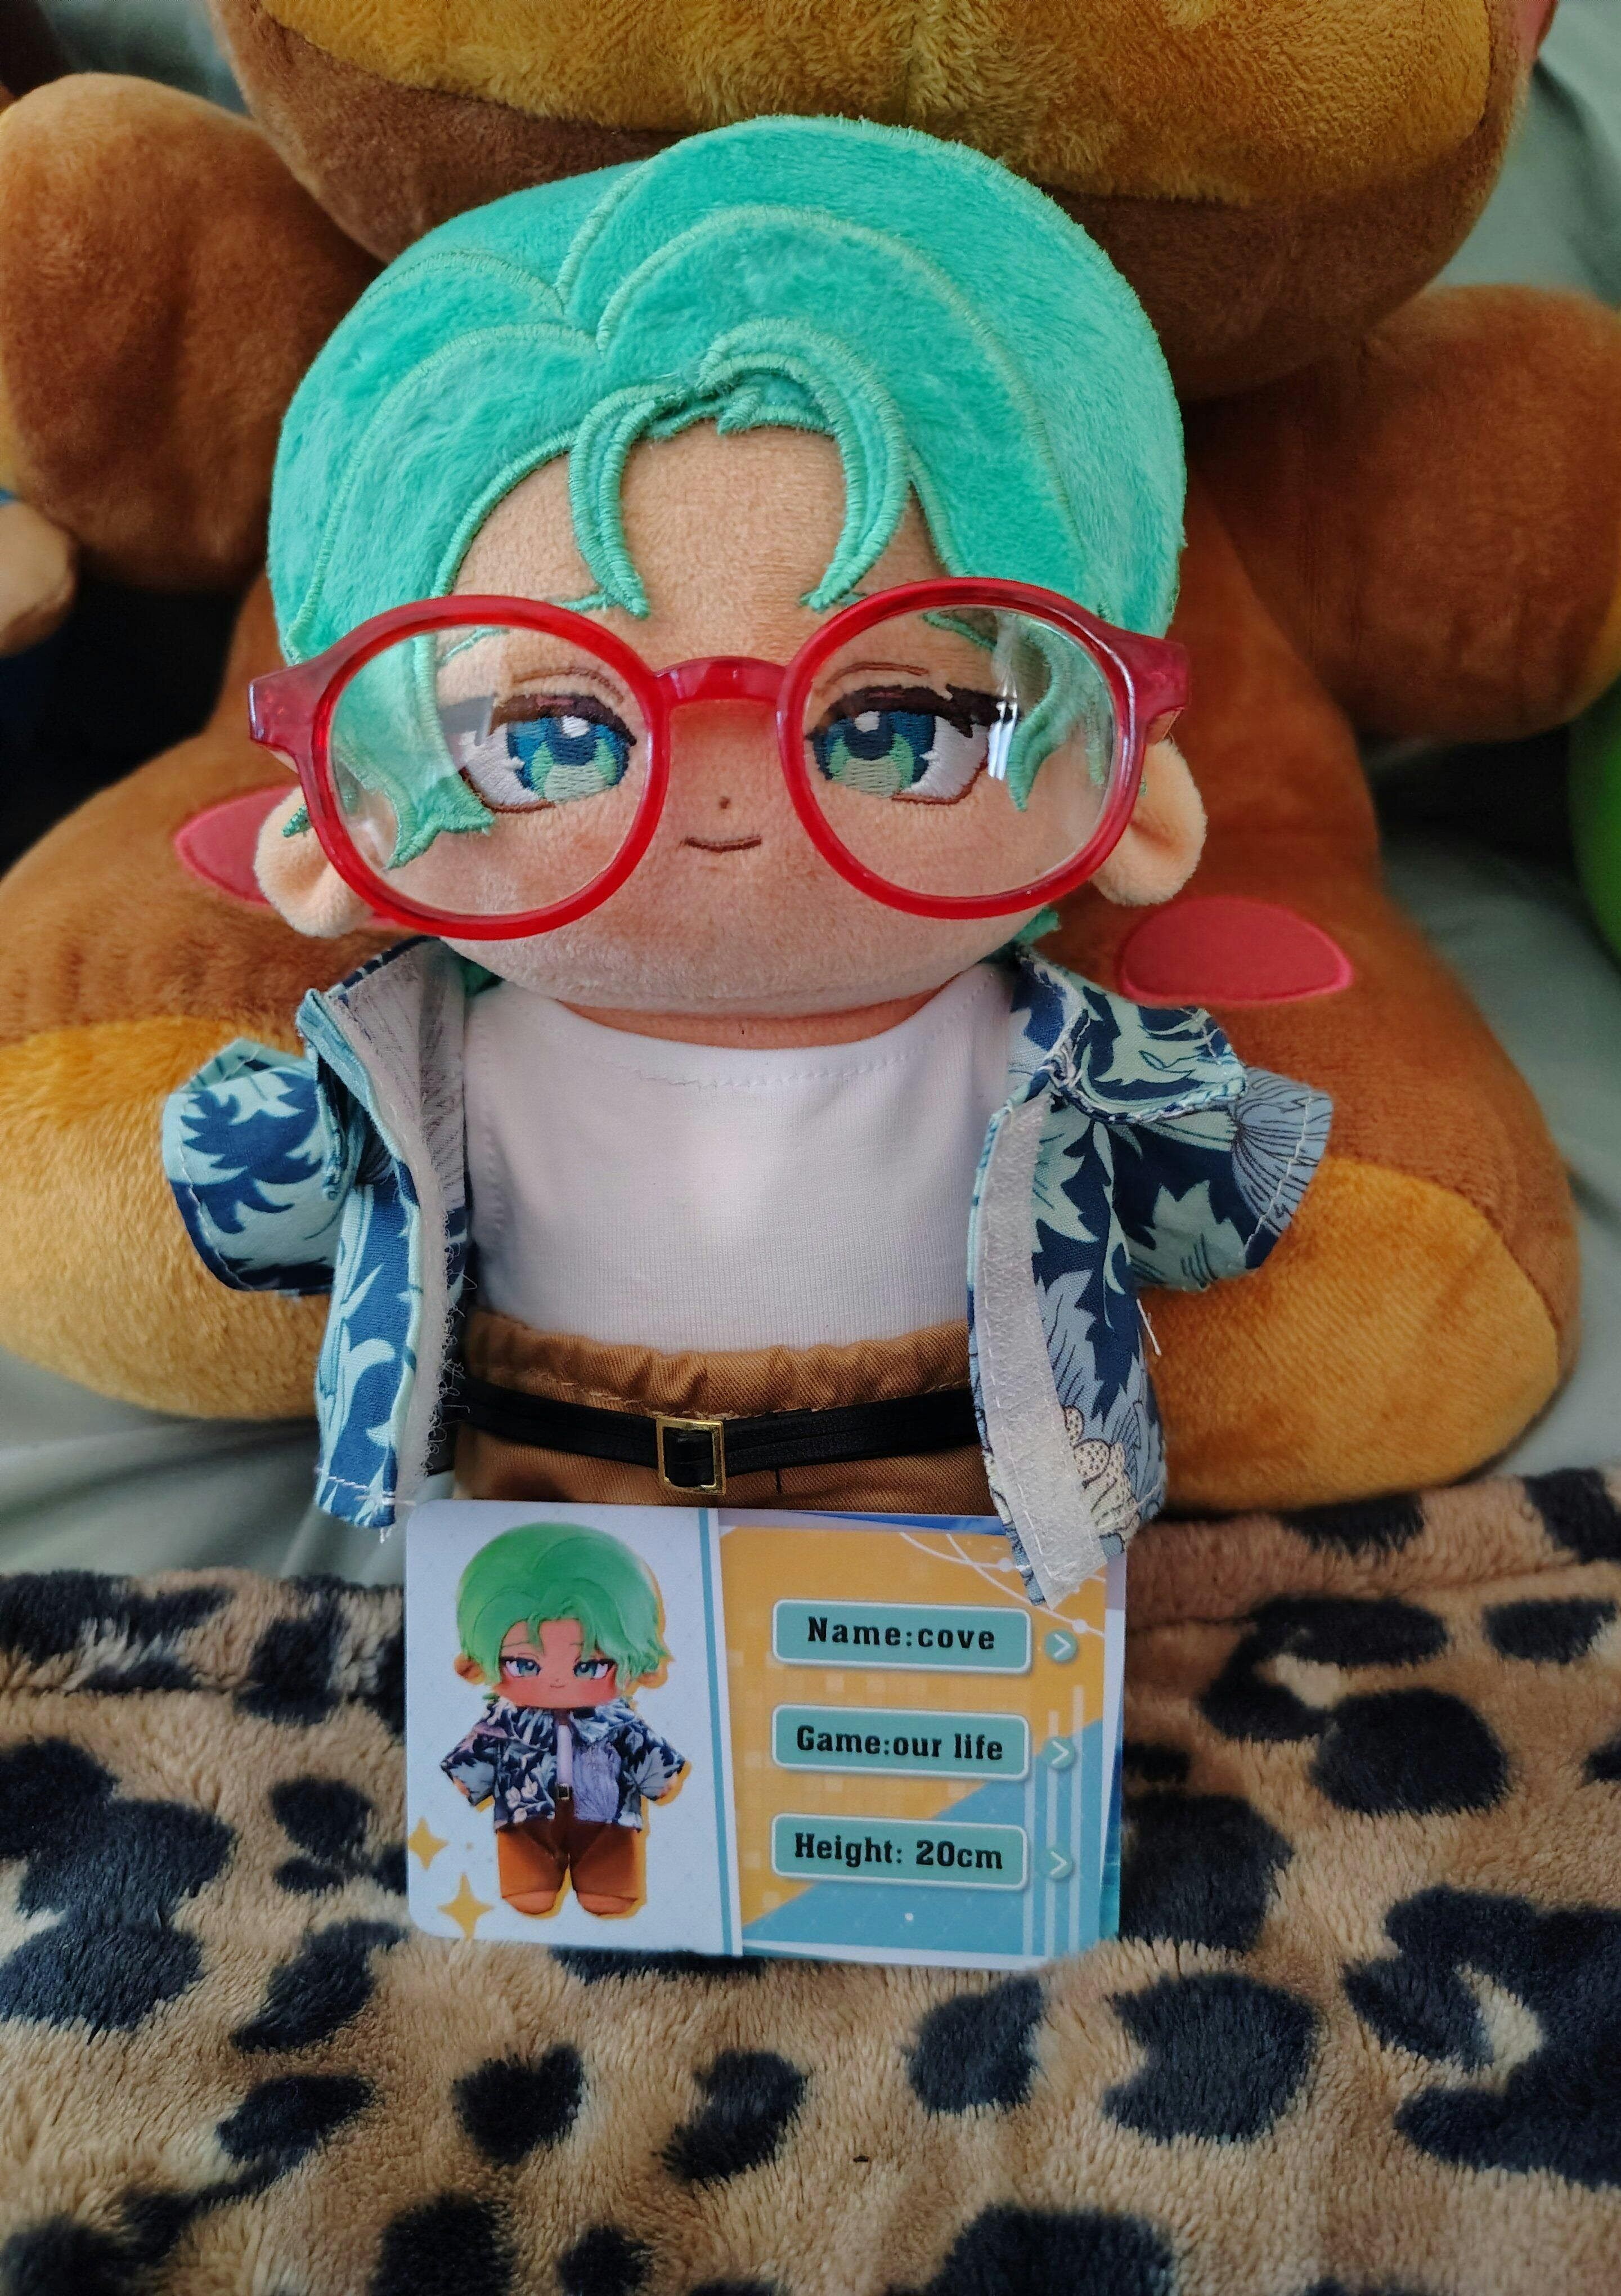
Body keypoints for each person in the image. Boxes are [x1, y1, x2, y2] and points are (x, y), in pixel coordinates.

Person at [163, 116, 1330, 1606]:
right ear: (333, 826)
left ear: (1133, 798)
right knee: (573, 1744)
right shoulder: (436, 1066)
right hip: (552, 1520)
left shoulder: (1040, 1059)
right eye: (559, 738)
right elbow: (260, 1206)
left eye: (897, 727)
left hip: (934, 1529)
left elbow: (1224, 1210)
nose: (726, 802)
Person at [441, 1521, 685, 1917]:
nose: (557, 1681)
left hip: (607, 1814)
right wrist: (470, 1777)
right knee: (526, 1870)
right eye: (524, 1664)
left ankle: (606, 1877)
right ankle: (531, 1875)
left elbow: (642, 1749)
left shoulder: (616, 1720)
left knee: (610, 1868)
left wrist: (660, 1779)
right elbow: (482, 1748)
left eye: (589, 1666)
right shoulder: (504, 1720)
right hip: (526, 1810)